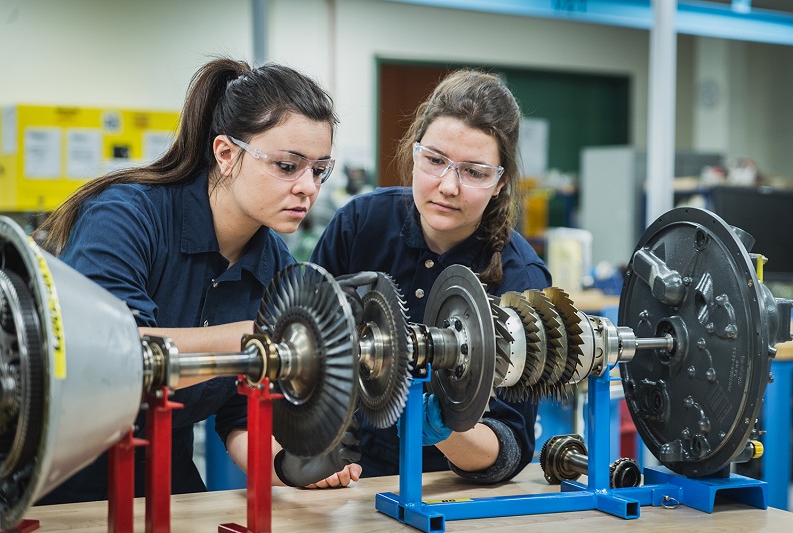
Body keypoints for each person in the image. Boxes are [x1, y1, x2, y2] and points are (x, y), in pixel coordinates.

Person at [36, 58, 360, 504]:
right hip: (54, 470)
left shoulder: (275, 265)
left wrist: (297, 466)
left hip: (162, 473)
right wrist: (257, 339)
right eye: (288, 166)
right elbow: (109, 357)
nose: (308, 186)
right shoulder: (127, 216)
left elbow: (239, 418)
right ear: (226, 154)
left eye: (319, 169)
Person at [310, 69, 551, 484]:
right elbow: (308, 353)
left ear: (500, 183)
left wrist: (441, 429)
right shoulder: (360, 224)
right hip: (343, 485)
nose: (448, 186)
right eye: (435, 160)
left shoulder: (519, 276)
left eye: (474, 172)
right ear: (415, 152)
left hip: (443, 493)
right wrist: (315, 453)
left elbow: (510, 447)